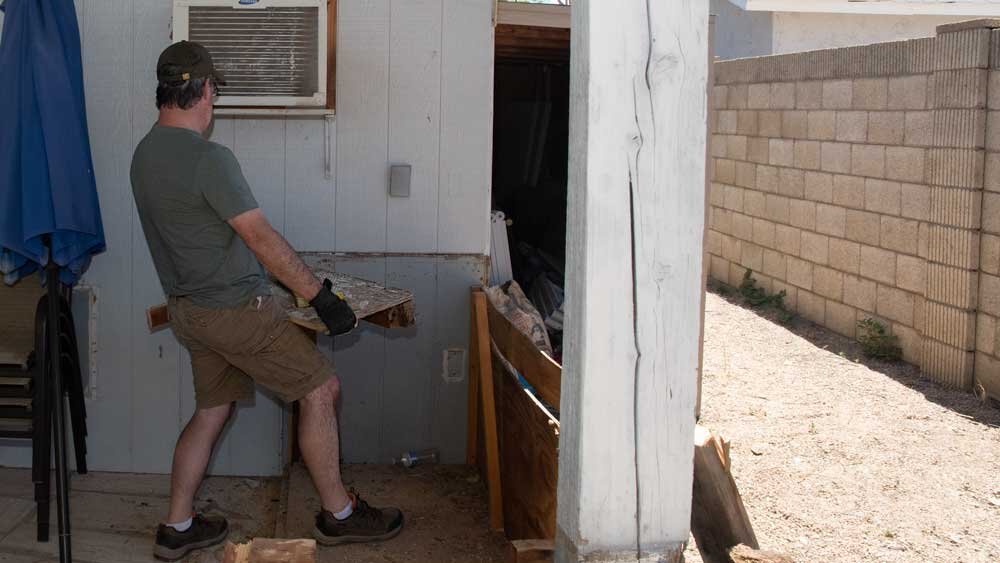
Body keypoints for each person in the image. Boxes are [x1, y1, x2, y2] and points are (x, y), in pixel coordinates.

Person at [131, 41, 403, 561]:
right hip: (235, 313)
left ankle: (178, 525)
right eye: (214, 90)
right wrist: (320, 296)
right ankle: (339, 515)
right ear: (206, 89)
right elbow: (259, 237)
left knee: (212, 410)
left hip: (190, 311)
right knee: (322, 389)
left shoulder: (144, 155)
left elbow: (201, 237)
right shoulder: (210, 159)